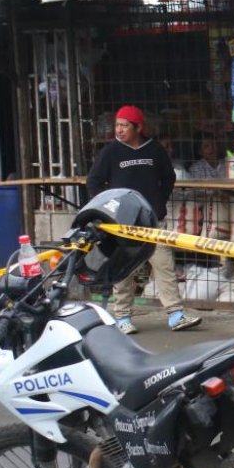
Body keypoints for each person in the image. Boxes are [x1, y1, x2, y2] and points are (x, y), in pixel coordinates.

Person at [85, 104, 202, 334]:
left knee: (164, 265)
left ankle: (175, 314)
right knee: (123, 272)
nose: (118, 130)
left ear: (138, 127)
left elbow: (168, 178)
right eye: (117, 125)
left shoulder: (155, 150)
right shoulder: (110, 152)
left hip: (152, 221)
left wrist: (158, 202)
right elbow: (94, 182)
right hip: (122, 224)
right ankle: (122, 317)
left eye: (124, 126)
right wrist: (108, 209)